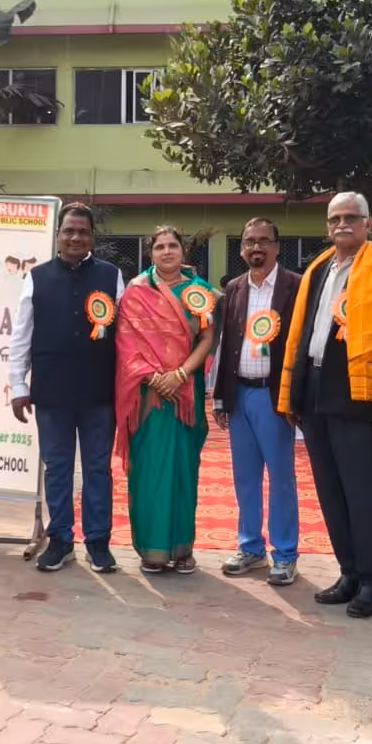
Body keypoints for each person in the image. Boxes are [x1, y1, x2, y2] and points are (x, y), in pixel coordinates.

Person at [278, 192, 372, 618]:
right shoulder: (319, 269)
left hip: (359, 393)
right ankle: (349, 572)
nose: (342, 225)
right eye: (335, 218)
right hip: (316, 388)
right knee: (331, 491)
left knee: (363, 492)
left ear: (368, 224)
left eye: (351, 217)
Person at [9, 204, 125, 574]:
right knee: (57, 468)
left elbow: (125, 336)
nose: (75, 237)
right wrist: (17, 384)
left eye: (83, 231)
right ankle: (60, 539)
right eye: (69, 231)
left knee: (97, 469)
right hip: (51, 391)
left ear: (92, 236)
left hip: (99, 392)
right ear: (58, 235)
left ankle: (98, 541)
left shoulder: (111, 276)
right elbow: (21, 334)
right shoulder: (36, 277)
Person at [116, 227, 216, 575]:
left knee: (183, 472)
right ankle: (152, 550)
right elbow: (126, 342)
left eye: (173, 245)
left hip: (185, 394)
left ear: (183, 250)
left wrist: (181, 374)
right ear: (151, 253)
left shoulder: (199, 290)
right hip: (147, 397)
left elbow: (207, 338)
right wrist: (155, 378)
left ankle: (183, 549)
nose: (167, 251)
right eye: (160, 246)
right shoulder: (135, 291)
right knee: (149, 471)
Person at [214, 218, 303, 586]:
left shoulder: (295, 286)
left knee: (281, 478)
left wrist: (297, 399)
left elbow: (301, 345)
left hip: (274, 397)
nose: (257, 247)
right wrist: (221, 397)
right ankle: (250, 547)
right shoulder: (233, 289)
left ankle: (285, 554)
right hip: (240, 395)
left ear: (277, 247)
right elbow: (226, 345)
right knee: (245, 477)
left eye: (264, 241)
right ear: (241, 249)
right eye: (250, 241)